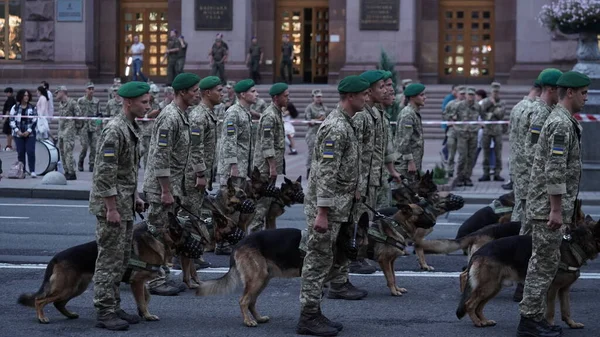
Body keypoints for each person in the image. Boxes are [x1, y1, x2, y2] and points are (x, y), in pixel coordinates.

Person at [517, 71, 589, 337]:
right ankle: (530, 322)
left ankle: (533, 319)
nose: (586, 97)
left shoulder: (563, 120)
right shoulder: (559, 123)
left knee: (544, 263)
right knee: (543, 265)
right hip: (547, 209)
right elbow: (555, 169)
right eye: (583, 92)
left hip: (548, 206)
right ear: (569, 93)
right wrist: (556, 209)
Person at [297, 75, 370, 336]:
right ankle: (308, 316)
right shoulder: (336, 128)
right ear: (350, 97)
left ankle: (315, 311)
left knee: (328, 261)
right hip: (327, 209)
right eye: (363, 94)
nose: (367, 98)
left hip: (341, 207)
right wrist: (323, 213)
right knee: (317, 262)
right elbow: (326, 173)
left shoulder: (347, 124)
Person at [90, 81, 149, 331]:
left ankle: (114, 305)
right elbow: (105, 173)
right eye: (144, 102)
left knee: (122, 259)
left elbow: (128, 171)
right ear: (128, 102)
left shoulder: (131, 127)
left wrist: (135, 195)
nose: (148, 106)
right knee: (109, 260)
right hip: (112, 206)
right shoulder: (115, 130)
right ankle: (105, 311)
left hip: (124, 202)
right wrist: (111, 208)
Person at [142, 73, 200, 296]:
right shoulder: (170, 117)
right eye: (194, 91)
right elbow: (160, 156)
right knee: (155, 233)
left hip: (173, 185)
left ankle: (160, 275)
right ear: (183, 92)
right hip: (161, 187)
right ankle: (153, 280)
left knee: (164, 232)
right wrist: (165, 190)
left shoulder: (181, 115)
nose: (197, 94)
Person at [180, 75, 222, 269]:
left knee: (196, 214)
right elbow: (194, 148)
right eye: (219, 90)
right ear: (208, 93)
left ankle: (192, 254)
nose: (221, 93)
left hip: (200, 173)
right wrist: (200, 174)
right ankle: (180, 256)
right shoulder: (198, 116)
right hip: (192, 175)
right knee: (187, 214)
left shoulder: (208, 114)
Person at [248, 83, 289, 233]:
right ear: (276, 98)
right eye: (285, 96)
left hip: (271, 167)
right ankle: (254, 240)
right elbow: (267, 143)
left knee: (267, 205)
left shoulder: (277, 113)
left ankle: (265, 237)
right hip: (265, 169)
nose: (288, 98)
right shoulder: (270, 115)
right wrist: (272, 166)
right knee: (261, 206)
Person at [217, 79, 257, 189]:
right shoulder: (234, 113)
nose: (256, 94)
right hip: (233, 171)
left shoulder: (244, 112)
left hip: (241, 168)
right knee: (230, 203)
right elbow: (229, 141)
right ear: (243, 95)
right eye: (253, 92)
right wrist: (233, 166)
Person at [395, 83, 427, 184]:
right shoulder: (407, 114)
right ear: (413, 97)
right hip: (406, 166)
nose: (424, 98)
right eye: (421, 95)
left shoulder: (413, 113)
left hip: (413, 163)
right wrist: (410, 161)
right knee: (406, 195)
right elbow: (404, 141)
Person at [450, 87, 481, 187]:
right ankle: (460, 177)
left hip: (473, 134)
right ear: (466, 95)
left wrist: (479, 126)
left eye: (472, 95)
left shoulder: (477, 106)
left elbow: (484, 116)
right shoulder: (459, 105)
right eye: (469, 95)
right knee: (463, 156)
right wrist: (456, 127)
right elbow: (450, 117)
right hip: (462, 134)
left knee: (471, 156)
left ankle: (467, 177)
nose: (471, 97)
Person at [479, 82, 506, 181]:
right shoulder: (485, 101)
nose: (495, 93)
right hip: (487, 129)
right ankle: (485, 173)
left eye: (497, 92)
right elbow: (482, 113)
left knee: (498, 153)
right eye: (494, 91)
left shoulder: (502, 102)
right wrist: (491, 110)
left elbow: (500, 115)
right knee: (485, 152)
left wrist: (493, 106)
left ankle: (497, 173)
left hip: (497, 130)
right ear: (491, 91)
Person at [9, 89, 37, 177]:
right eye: (25, 95)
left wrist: (28, 131)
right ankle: (23, 170)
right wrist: (17, 131)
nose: (26, 97)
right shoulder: (15, 107)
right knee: (20, 152)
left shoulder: (32, 108)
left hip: (30, 134)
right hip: (18, 134)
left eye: (28, 95)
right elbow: (11, 120)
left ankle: (32, 170)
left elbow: (34, 121)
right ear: (21, 96)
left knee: (30, 151)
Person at [55, 86, 81, 181]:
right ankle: (66, 171)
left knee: (68, 152)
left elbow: (79, 117)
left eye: (57, 92)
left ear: (62, 92)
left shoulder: (72, 103)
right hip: (61, 130)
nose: (56, 95)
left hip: (69, 131)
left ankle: (71, 172)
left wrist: (76, 129)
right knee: (62, 151)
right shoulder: (60, 104)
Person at [304, 89, 329, 178]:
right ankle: (309, 169)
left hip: (322, 133)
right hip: (312, 133)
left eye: (320, 97)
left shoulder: (324, 108)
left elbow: (327, 119)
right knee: (312, 152)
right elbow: (309, 121)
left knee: (321, 153)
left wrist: (321, 119)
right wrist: (319, 120)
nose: (319, 98)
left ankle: (319, 171)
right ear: (313, 97)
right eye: (317, 97)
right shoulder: (309, 108)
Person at [77, 82, 102, 172]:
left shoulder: (96, 101)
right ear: (86, 90)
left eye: (92, 89)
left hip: (94, 127)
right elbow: (77, 114)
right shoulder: (80, 101)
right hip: (84, 126)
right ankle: (81, 161)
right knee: (84, 146)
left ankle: (92, 164)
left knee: (94, 147)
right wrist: (78, 126)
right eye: (89, 89)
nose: (91, 90)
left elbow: (99, 115)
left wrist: (99, 126)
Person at [442, 86, 465, 177]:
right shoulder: (451, 103)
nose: (462, 95)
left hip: (463, 132)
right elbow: (444, 114)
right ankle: (450, 171)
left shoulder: (467, 104)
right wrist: (450, 119)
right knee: (451, 153)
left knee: (462, 155)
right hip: (452, 131)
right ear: (457, 94)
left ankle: (461, 173)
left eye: (464, 94)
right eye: (461, 93)